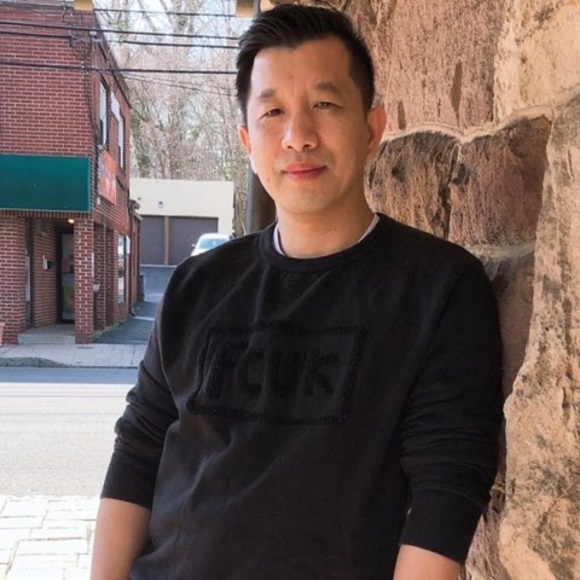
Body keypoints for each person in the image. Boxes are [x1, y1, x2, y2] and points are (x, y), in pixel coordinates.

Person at [91, 5, 503, 579]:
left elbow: (447, 490)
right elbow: (138, 451)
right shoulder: (196, 285)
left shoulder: (439, 288)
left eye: (325, 105)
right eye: (273, 112)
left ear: (372, 128)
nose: (298, 137)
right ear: (247, 141)